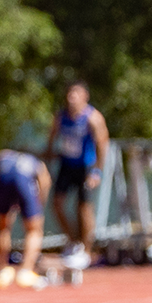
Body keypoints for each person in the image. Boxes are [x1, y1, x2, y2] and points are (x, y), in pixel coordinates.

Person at [45, 80, 110, 267]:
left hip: (85, 167)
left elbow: (102, 144)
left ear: (85, 96)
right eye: (69, 94)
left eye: (76, 93)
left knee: (84, 208)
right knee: (57, 204)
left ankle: (87, 251)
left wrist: (97, 171)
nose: (71, 97)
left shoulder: (93, 118)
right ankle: (73, 241)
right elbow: (53, 136)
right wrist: (49, 153)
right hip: (66, 165)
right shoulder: (61, 116)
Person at [0, 149, 50, 288]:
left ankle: (2, 268)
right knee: (34, 229)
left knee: (3, 227)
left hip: (3, 179)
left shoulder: (2, 156)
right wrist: (39, 205)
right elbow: (45, 182)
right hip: (24, 180)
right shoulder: (34, 160)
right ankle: (25, 270)